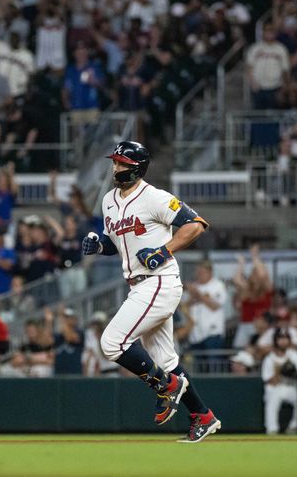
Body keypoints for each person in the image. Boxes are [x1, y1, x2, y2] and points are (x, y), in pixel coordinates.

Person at [81, 140, 219, 443]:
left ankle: (167, 386)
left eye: (122, 164)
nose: (116, 168)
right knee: (166, 361)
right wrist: (100, 246)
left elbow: (196, 225)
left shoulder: (154, 197)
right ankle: (202, 415)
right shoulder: (108, 201)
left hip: (159, 281)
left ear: (137, 168)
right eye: (115, 163)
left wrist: (164, 250)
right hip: (139, 284)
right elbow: (117, 245)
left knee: (112, 343)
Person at [262, 329, 297, 434]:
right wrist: (280, 372)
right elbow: (268, 381)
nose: (283, 341)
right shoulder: (269, 358)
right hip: (276, 387)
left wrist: (293, 371)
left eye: (285, 338)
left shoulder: (294, 356)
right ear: (275, 341)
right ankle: (272, 429)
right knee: (273, 398)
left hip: (291, 386)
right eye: (280, 338)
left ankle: (293, 426)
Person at [185, 260, 228, 352]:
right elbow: (185, 306)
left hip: (212, 334)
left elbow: (214, 306)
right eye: (197, 272)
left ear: (210, 272)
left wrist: (198, 294)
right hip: (195, 334)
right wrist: (192, 295)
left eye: (201, 272)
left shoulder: (218, 285)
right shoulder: (194, 286)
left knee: (213, 365)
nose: (198, 275)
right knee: (198, 366)